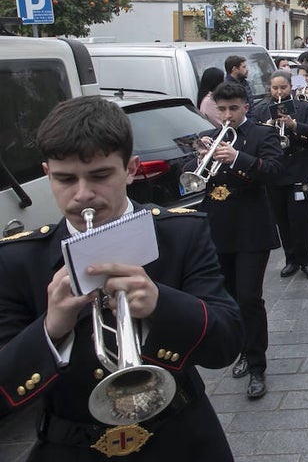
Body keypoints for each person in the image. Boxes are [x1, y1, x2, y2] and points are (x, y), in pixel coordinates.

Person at [0, 97, 243, 460]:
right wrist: (50, 329)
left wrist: (163, 303)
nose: (82, 194)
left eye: (100, 176)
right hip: (71, 446)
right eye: (65, 179)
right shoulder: (18, 258)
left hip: (182, 439)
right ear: (48, 174)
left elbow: (226, 343)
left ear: (130, 169)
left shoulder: (180, 234)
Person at [190, 80, 283, 400]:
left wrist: (238, 158)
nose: (227, 115)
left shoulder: (262, 134)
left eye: (233, 108)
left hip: (251, 229)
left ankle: (258, 364)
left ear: (246, 106)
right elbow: (196, 177)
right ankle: (243, 350)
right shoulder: (214, 135)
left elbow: (273, 171)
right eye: (222, 109)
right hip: (218, 228)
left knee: (249, 297)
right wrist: (199, 156)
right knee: (229, 297)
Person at [251, 70, 308, 280]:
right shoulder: (262, 109)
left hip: (300, 168)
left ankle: (306, 260)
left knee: (302, 218)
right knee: (282, 217)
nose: (279, 92)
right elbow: (254, 138)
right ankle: (291, 258)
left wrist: (294, 125)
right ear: (270, 89)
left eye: (283, 87)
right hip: (276, 171)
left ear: (291, 87)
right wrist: (267, 128)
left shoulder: (304, 106)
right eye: (275, 88)